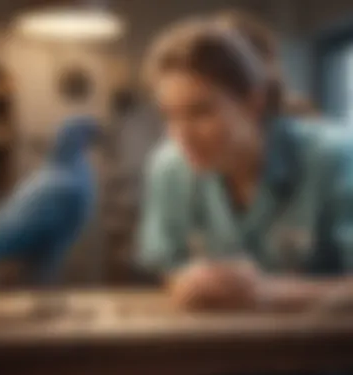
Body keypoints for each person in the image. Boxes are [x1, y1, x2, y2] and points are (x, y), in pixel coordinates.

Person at [137, 12, 353, 312]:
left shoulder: (335, 157)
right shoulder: (169, 168)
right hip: (212, 351)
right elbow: (168, 266)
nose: (181, 135)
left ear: (254, 102)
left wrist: (269, 293)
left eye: (201, 112)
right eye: (170, 115)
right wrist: (188, 280)